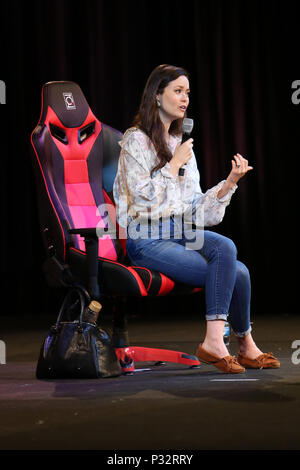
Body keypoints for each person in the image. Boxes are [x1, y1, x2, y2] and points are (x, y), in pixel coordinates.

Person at [113, 64, 280, 373]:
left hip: (180, 230)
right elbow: (140, 199)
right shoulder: (134, 141)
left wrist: (229, 183)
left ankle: (242, 344)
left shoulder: (180, 145)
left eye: (187, 92)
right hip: (147, 238)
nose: (185, 98)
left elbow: (195, 210)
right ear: (156, 95)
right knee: (234, 271)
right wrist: (173, 165)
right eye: (177, 91)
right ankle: (217, 343)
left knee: (230, 257)